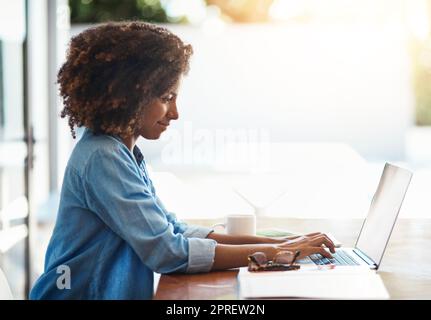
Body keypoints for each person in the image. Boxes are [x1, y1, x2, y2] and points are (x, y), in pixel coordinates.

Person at [30, 21, 335, 300]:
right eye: (166, 98)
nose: (175, 113)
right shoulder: (103, 158)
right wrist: (275, 251)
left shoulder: (121, 152)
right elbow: (167, 253)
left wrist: (284, 245)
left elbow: (172, 230)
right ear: (126, 96)